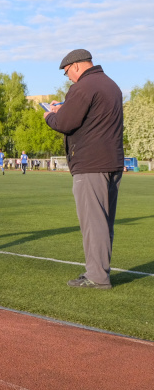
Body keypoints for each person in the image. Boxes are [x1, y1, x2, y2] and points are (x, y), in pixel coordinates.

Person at [44, 49, 123, 290]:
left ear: (76, 66)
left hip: (90, 164)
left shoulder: (83, 86)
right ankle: (98, 271)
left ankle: (97, 277)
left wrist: (50, 115)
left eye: (67, 72)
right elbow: (90, 116)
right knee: (103, 221)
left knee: (93, 222)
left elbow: (66, 123)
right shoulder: (111, 85)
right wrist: (64, 107)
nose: (67, 77)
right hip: (112, 161)